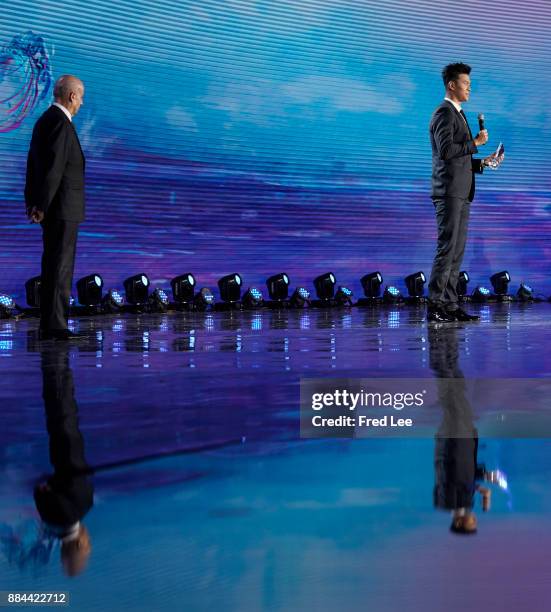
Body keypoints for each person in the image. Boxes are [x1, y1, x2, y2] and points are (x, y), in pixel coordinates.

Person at [427, 63, 503, 323]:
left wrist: (482, 161)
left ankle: (449, 304)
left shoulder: (458, 114)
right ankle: (435, 305)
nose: (469, 87)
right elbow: (446, 152)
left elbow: (458, 159)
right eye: (465, 83)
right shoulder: (444, 113)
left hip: (461, 191)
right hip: (448, 191)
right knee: (447, 249)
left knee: (457, 251)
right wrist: (476, 144)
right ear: (451, 85)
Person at [25, 74, 86, 340]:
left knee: (54, 266)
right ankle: (55, 325)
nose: (81, 103)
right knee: (59, 267)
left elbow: (33, 167)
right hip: (62, 208)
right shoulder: (60, 123)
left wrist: (34, 202)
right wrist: (42, 204)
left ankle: (51, 323)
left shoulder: (45, 121)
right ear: (71, 96)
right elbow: (53, 169)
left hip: (54, 207)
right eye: (81, 97)